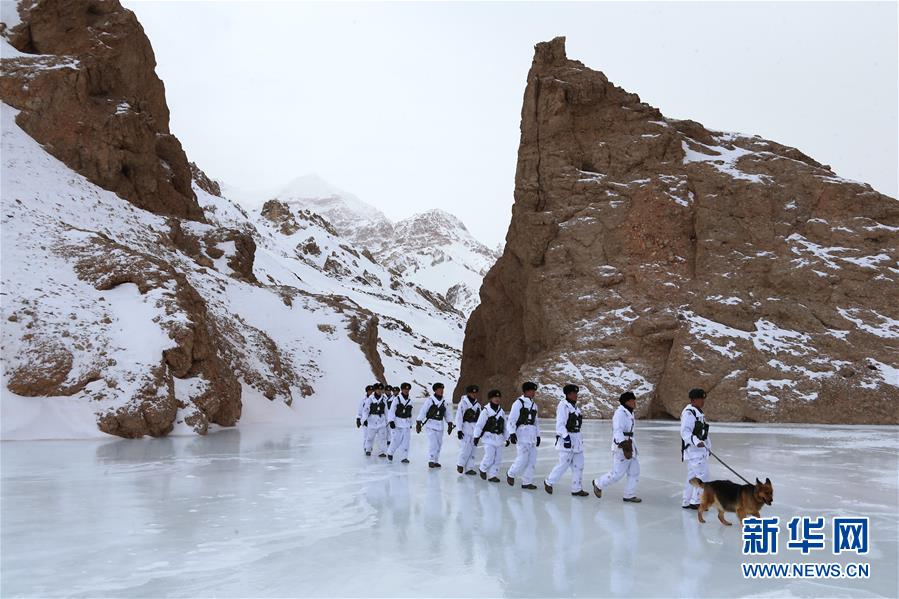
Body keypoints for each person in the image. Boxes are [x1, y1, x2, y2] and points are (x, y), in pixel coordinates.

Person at [592, 391, 642, 503]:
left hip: (630, 444)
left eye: (634, 400)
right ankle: (598, 483)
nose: (634, 402)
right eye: (632, 400)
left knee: (634, 471)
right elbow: (617, 430)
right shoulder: (620, 413)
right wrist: (624, 444)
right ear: (626, 402)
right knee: (617, 474)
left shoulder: (629, 412)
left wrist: (629, 445)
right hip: (622, 446)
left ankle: (629, 495)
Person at [544, 384, 588, 497]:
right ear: (568, 394)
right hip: (567, 440)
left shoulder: (576, 408)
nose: (576, 395)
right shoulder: (563, 406)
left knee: (579, 465)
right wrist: (565, 437)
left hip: (577, 440)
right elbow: (560, 424)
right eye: (573, 393)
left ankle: (576, 489)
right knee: (563, 464)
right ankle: (549, 481)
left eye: (576, 393)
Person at [506, 381, 541, 490]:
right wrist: (512, 433)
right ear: (526, 391)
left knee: (532, 460)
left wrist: (538, 435)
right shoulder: (519, 403)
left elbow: (536, 422)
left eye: (534, 391)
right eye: (531, 391)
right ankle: (511, 473)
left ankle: (527, 482)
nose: (533, 393)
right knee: (522, 458)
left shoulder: (534, 405)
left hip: (532, 436)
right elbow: (511, 420)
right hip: (522, 434)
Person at [681, 388, 711, 509]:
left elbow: (704, 434)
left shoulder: (698, 413)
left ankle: (687, 500)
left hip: (699, 451)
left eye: (703, 399)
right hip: (694, 451)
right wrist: (696, 442)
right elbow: (685, 432)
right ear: (694, 400)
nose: (703, 401)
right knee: (703, 476)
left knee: (692, 477)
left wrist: (708, 447)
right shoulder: (689, 413)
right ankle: (696, 502)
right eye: (700, 399)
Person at [473, 389, 508, 482]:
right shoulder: (486, 411)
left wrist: (507, 438)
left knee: (498, 459)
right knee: (489, 456)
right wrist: (476, 437)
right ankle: (483, 468)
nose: (496, 399)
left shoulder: (502, 411)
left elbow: (505, 426)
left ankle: (493, 475)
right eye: (494, 397)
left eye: (498, 397)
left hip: (499, 438)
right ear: (490, 398)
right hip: (488, 438)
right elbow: (479, 425)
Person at [416, 382, 454, 468]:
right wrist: (418, 422)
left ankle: (436, 460)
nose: (441, 391)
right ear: (435, 390)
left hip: (440, 426)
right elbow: (423, 411)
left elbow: (447, 413)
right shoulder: (429, 400)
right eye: (439, 389)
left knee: (439, 444)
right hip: (431, 425)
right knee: (433, 443)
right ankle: (431, 460)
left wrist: (450, 423)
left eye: (442, 389)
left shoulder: (444, 402)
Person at [454, 384, 482, 475]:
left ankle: (469, 468)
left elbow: (480, 419)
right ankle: (460, 464)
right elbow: (459, 417)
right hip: (465, 428)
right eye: (472, 393)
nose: (474, 394)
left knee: (473, 450)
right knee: (465, 448)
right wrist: (459, 429)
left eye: (475, 393)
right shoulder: (463, 403)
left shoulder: (478, 405)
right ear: (468, 393)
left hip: (475, 430)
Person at [387, 382, 414, 463]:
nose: (406, 391)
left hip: (406, 424)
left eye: (408, 389)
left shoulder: (409, 400)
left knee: (406, 442)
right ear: (402, 390)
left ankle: (404, 457)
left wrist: (411, 423)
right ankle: (390, 452)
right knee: (396, 440)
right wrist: (391, 421)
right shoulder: (396, 399)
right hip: (397, 423)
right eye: (405, 389)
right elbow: (391, 411)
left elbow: (410, 413)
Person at [362, 383, 389, 457]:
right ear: (375, 390)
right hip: (372, 420)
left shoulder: (384, 399)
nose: (379, 391)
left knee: (382, 438)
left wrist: (388, 421)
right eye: (378, 389)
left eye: (381, 389)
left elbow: (386, 410)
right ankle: (368, 449)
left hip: (381, 420)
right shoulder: (370, 399)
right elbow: (366, 410)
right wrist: (364, 419)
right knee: (370, 437)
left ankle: (382, 452)